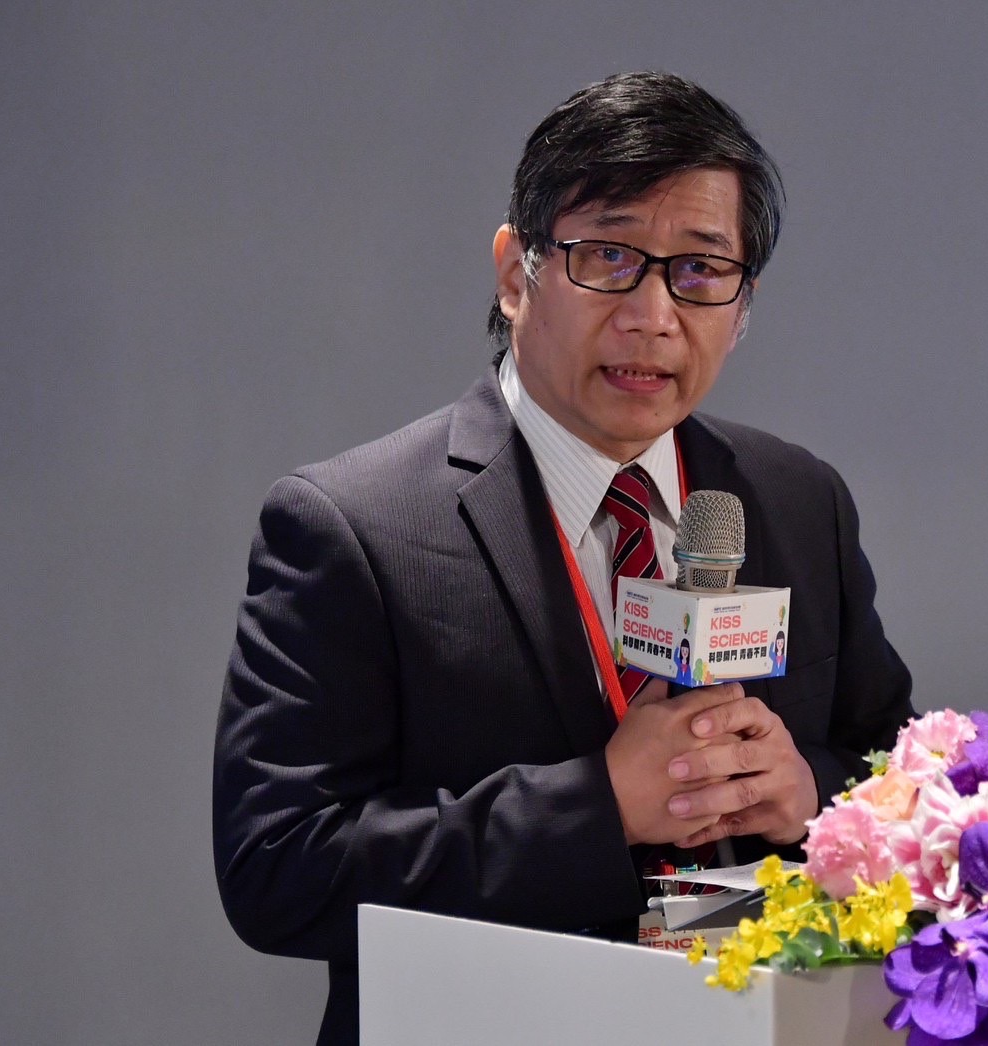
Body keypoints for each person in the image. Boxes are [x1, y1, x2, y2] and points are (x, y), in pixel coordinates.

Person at [213, 71, 913, 1045]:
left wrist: (811, 800)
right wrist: (599, 805)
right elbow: (279, 868)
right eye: (609, 257)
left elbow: (901, 773)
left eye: (699, 269)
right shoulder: (351, 525)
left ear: (742, 301)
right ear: (516, 273)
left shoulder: (797, 499)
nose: (653, 313)